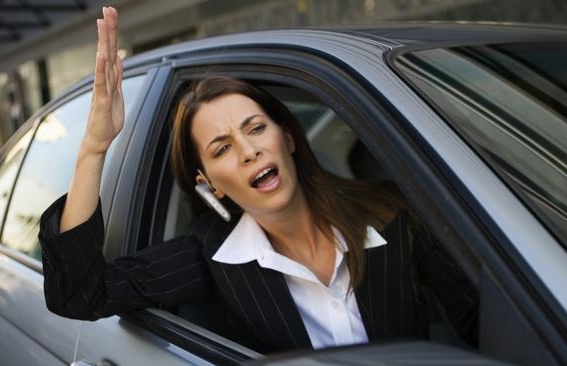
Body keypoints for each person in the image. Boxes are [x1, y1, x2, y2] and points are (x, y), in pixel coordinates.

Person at [39, 7, 478, 353]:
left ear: (287, 136)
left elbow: (485, 318)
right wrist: (95, 146)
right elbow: (79, 294)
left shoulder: (392, 214)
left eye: (255, 128)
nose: (249, 150)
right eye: (222, 148)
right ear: (210, 183)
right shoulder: (210, 257)